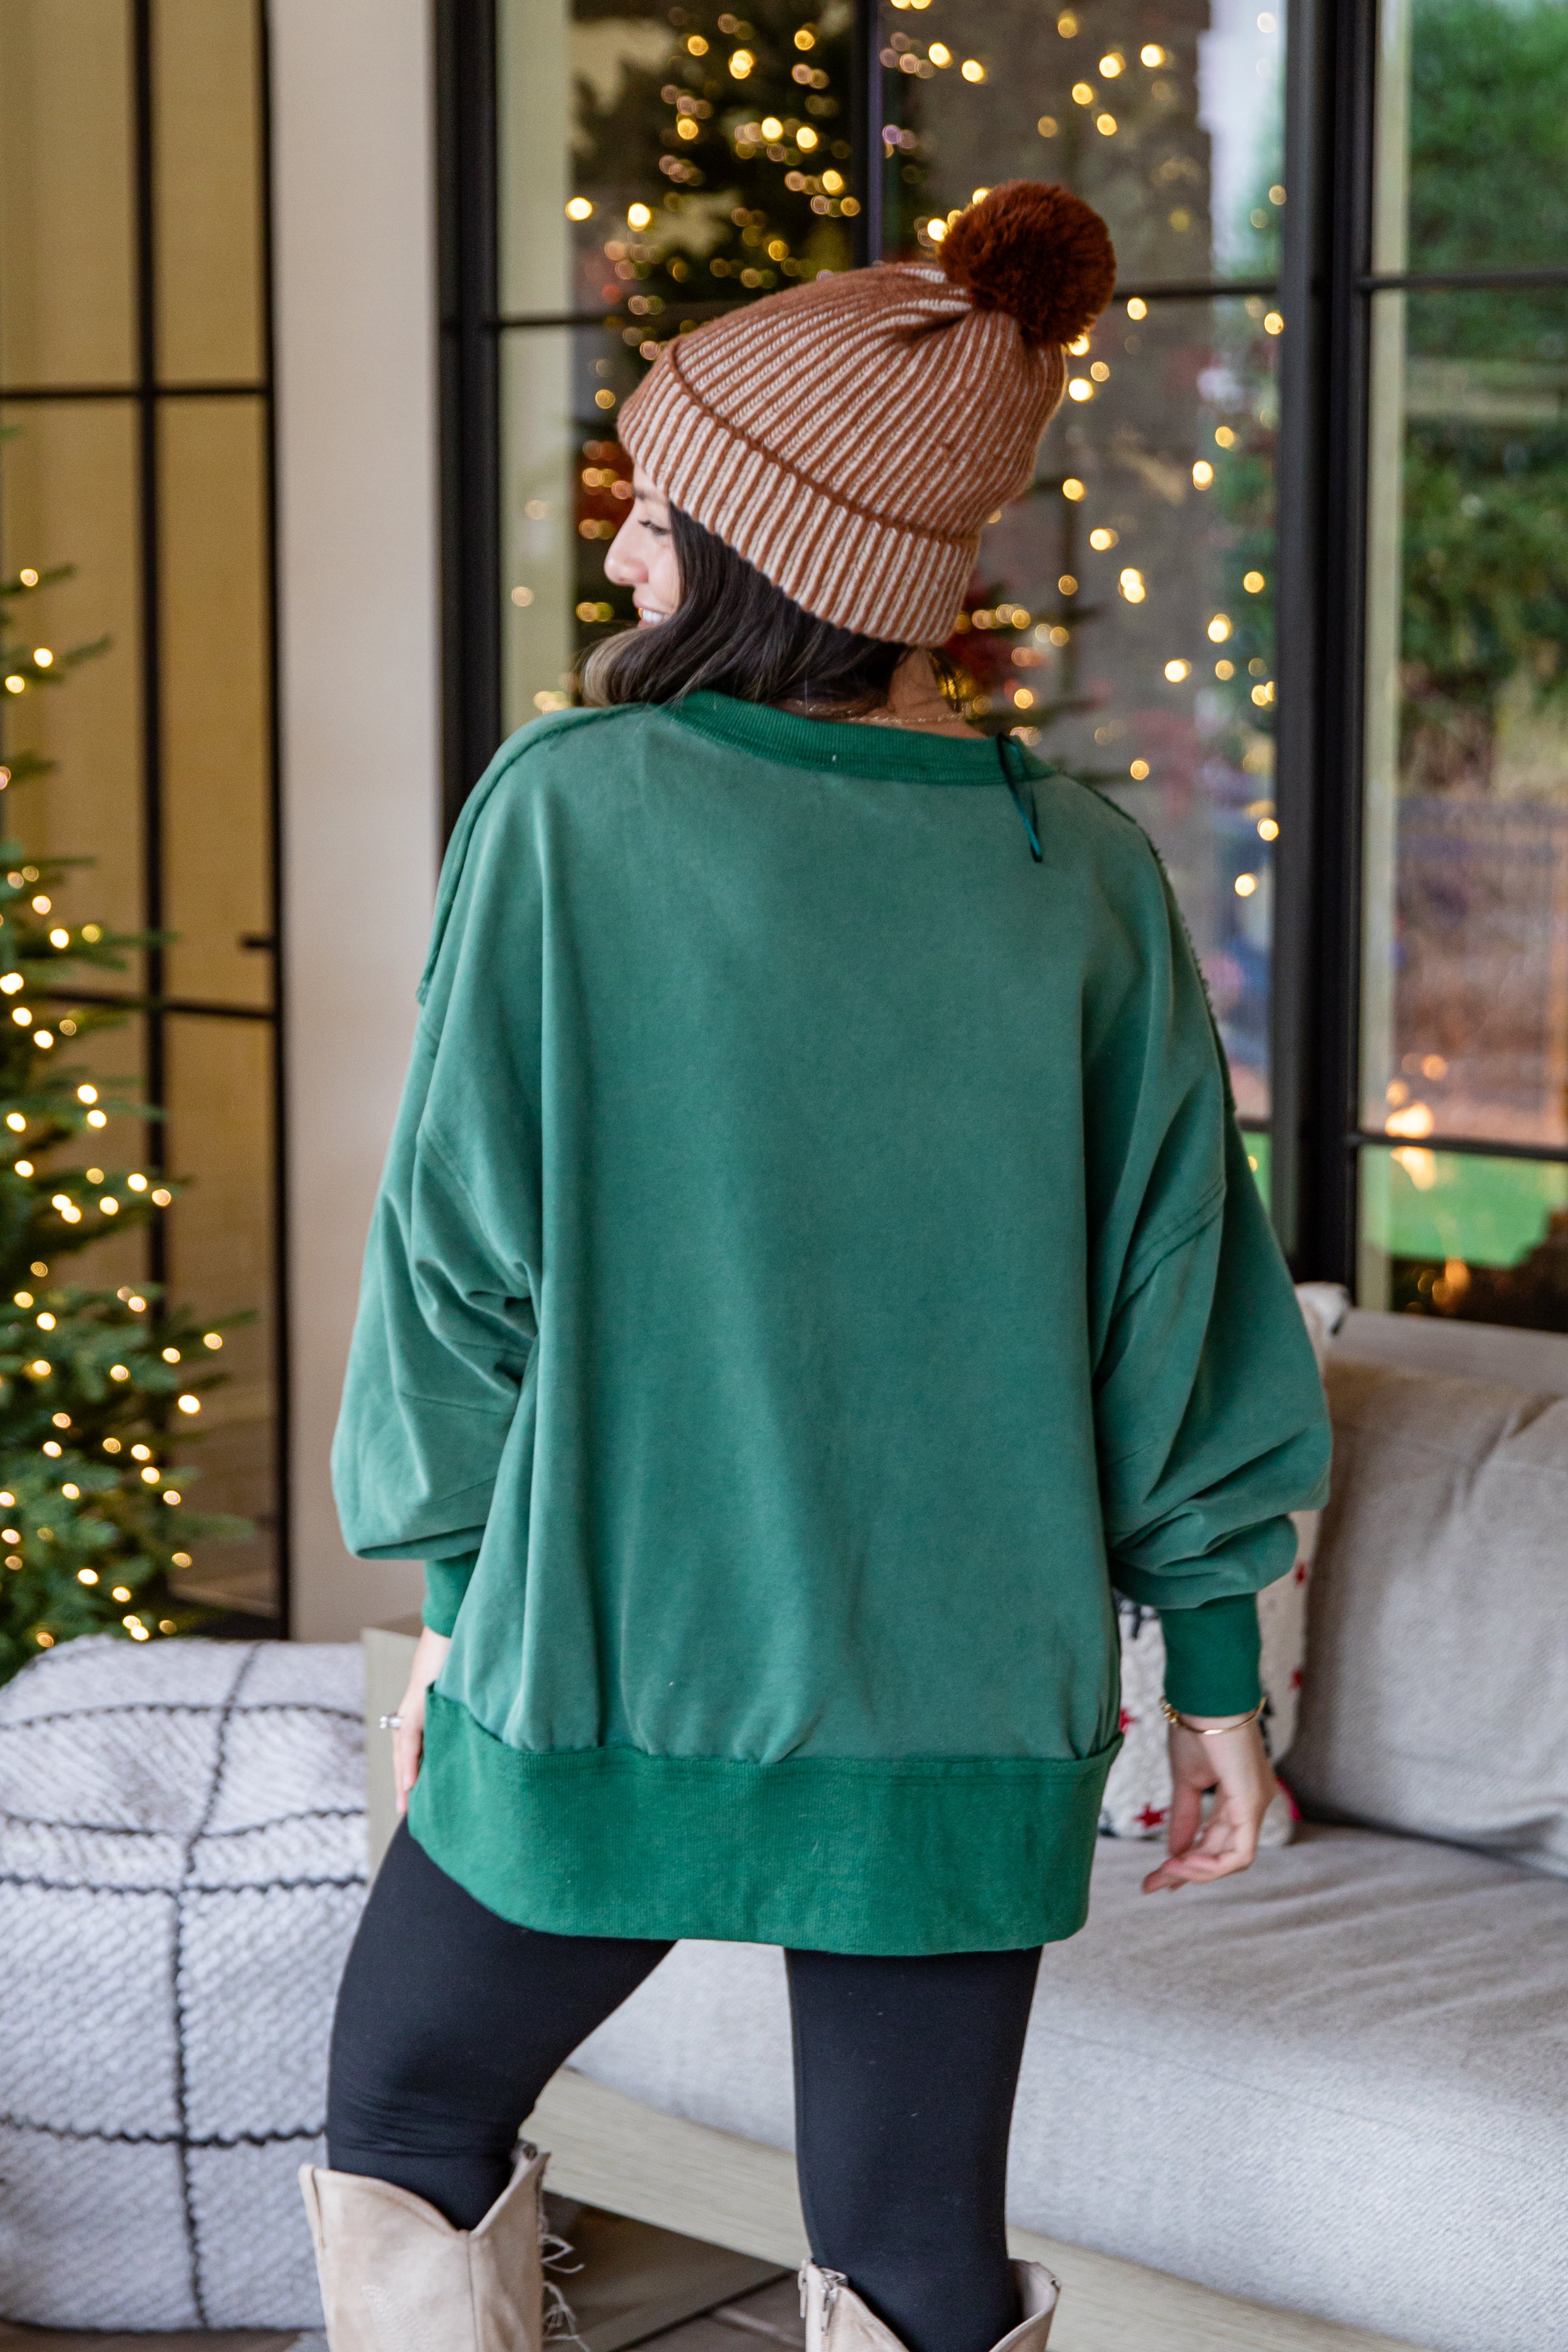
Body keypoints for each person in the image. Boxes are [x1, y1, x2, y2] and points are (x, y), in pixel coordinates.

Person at [302, 182, 1331, 2352]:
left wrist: (450, 1618)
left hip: (602, 1659)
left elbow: (456, 1270)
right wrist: (1217, 1672)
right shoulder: (1081, 872)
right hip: (966, 1699)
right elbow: (1177, 1306)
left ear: (757, 552)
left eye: (649, 508)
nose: (614, 553)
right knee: (915, 2254)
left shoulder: (570, 812)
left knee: (405, 2112)